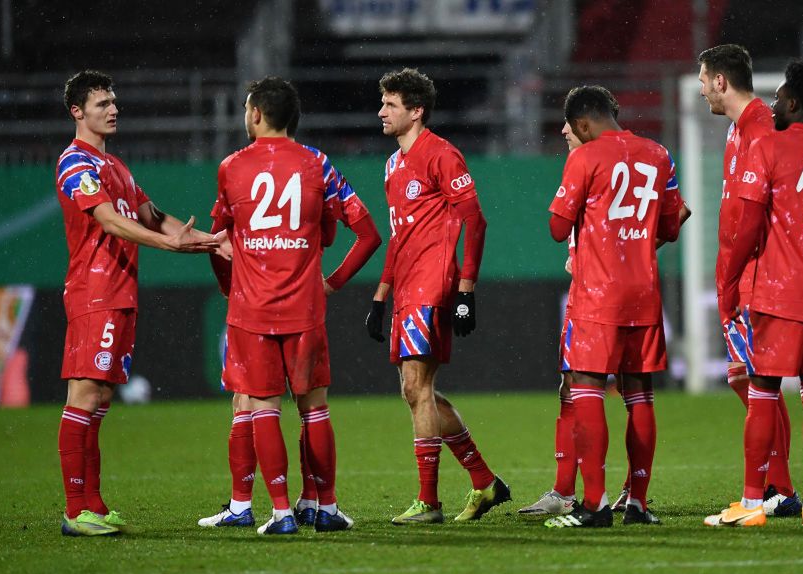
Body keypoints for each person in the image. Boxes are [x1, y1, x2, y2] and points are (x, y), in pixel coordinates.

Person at [198, 104, 382, 530]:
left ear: (257, 113)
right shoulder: (318, 163)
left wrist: (231, 288)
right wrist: (331, 283)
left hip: (252, 309)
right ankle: (326, 507)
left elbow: (218, 241)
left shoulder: (232, 166)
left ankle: (277, 511)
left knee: (259, 406)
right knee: (314, 409)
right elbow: (369, 234)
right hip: (305, 306)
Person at [56, 70, 221, 536]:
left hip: (119, 292)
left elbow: (155, 216)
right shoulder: (76, 163)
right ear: (77, 111)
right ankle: (74, 511)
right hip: (94, 292)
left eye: (113, 101)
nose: (113, 109)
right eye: (102, 103)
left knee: (102, 396)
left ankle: (93, 502)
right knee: (85, 395)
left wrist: (213, 243)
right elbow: (108, 221)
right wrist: (166, 246)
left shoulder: (118, 168)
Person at [706, 61, 803, 528]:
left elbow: (748, 226)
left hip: (777, 292)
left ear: (793, 103)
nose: (772, 105)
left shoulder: (770, 147)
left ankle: (753, 503)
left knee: (763, 392)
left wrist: (729, 283)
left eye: (778, 98)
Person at [519, 117, 690, 519]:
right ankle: (635, 499)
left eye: (567, 124)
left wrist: (599, 257)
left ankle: (586, 499)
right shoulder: (654, 154)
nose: (562, 131)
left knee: (582, 385)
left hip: (596, 295)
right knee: (638, 393)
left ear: (584, 123)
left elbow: (557, 226)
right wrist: (634, 251)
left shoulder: (589, 159)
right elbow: (676, 215)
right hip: (642, 293)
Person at [364, 67, 509, 524]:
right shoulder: (392, 167)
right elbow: (397, 236)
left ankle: (429, 501)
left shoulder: (442, 155)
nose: (381, 111)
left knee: (416, 387)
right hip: (406, 287)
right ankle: (484, 482)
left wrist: (466, 290)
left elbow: (476, 221)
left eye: (391, 104)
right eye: (382, 103)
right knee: (417, 391)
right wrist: (380, 295)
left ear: (416, 111)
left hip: (433, 283)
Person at [697, 44, 801, 516]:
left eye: (703, 80)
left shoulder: (763, 129)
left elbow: (761, 212)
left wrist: (740, 275)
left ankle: (775, 489)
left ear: (721, 81)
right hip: (741, 274)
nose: (700, 89)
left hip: (757, 276)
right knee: (748, 380)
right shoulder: (741, 131)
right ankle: (780, 488)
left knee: (755, 381)